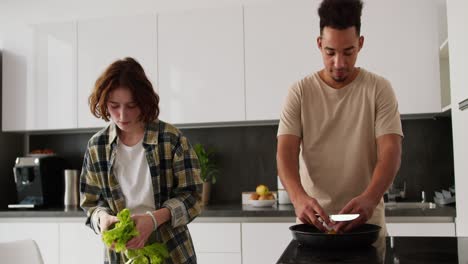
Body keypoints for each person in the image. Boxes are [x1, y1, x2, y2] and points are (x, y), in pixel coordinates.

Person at [276, 0, 403, 240]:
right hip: (313, 226)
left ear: (360, 44)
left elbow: (391, 151)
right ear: (319, 44)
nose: (339, 63)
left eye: (348, 52)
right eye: (330, 52)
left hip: (367, 226)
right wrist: (298, 197)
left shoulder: (379, 89)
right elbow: (285, 152)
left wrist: (371, 198)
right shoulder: (300, 92)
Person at [80, 57, 203, 264]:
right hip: (121, 255)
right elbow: (90, 204)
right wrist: (102, 219)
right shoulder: (97, 146)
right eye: (114, 106)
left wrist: (153, 220)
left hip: (172, 251)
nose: (122, 115)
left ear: (144, 101)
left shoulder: (171, 139)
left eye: (131, 105)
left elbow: (193, 197)